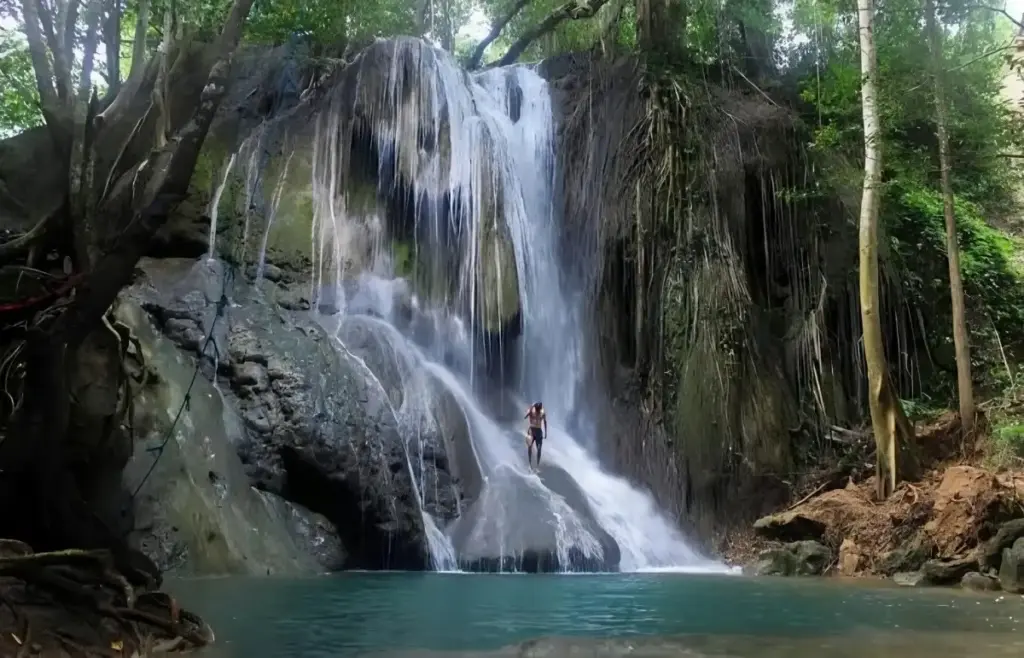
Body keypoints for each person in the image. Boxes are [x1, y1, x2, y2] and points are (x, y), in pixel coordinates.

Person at [524, 402, 547, 470]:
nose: (537, 410)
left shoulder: (542, 413)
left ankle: (537, 465)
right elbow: (525, 417)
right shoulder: (532, 410)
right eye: (536, 409)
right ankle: (530, 464)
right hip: (531, 430)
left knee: (539, 449)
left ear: (540, 408)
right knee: (530, 447)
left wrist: (546, 433)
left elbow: (545, 422)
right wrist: (530, 411)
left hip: (538, 432)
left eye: (538, 409)